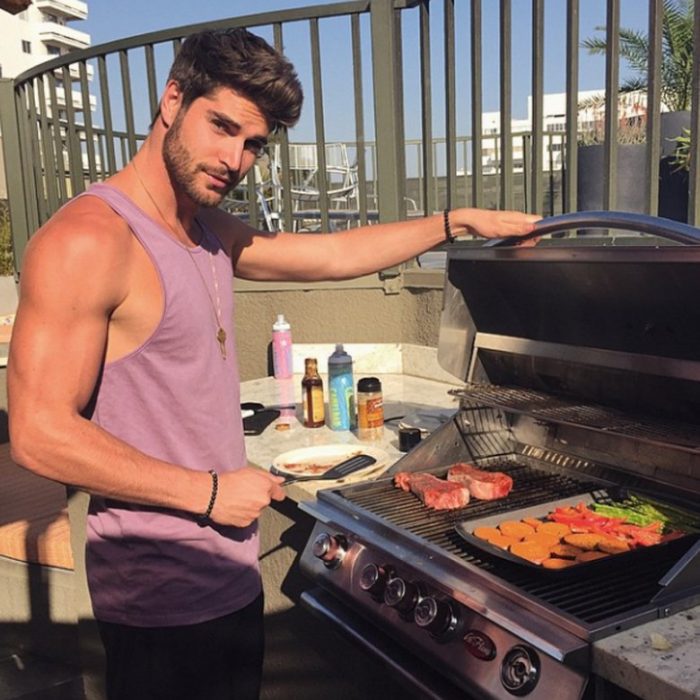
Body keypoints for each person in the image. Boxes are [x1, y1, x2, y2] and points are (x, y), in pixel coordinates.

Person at [7, 28, 540, 700]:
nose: (235, 159)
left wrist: (453, 222)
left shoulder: (207, 231)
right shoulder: (89, 239)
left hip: (227, 581)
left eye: (253, 143)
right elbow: (36, 431)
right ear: (173, 99)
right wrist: (207, 491)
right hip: (158, 606)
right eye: (222, 127)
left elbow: (334, 255)